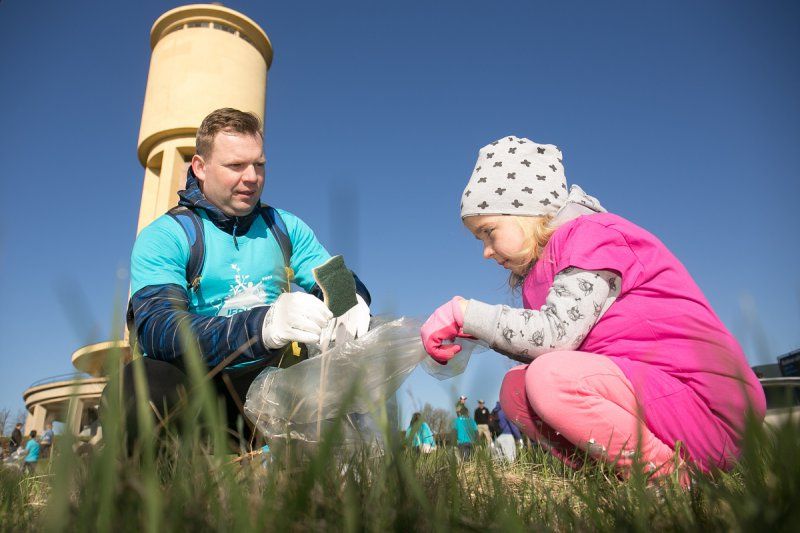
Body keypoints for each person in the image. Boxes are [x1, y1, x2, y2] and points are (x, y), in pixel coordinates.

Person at [421, 136, 766, 483]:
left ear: (527, 211)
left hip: (707, 407)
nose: (486, 251)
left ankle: (671, 478)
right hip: (659, 403)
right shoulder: (542, 275)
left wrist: (468, 314)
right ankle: (614, 475)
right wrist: (476, 331)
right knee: (516, 388)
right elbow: (548, 349)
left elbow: (555, 337)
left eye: (488, 232)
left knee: (548, 377)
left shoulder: (590, 237)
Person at [118, 108, 371, 449]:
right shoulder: (166, 235)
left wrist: (350, 299)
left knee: (346, 367)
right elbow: (159, 329)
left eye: (259, 164)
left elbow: (331, 276)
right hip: (200, 387)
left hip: (272, 387)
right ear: (200, 167)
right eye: (236, 165)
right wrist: (260, 327)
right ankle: (160, 471)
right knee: (142, 384)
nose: (252, 177)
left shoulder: (283, 226)